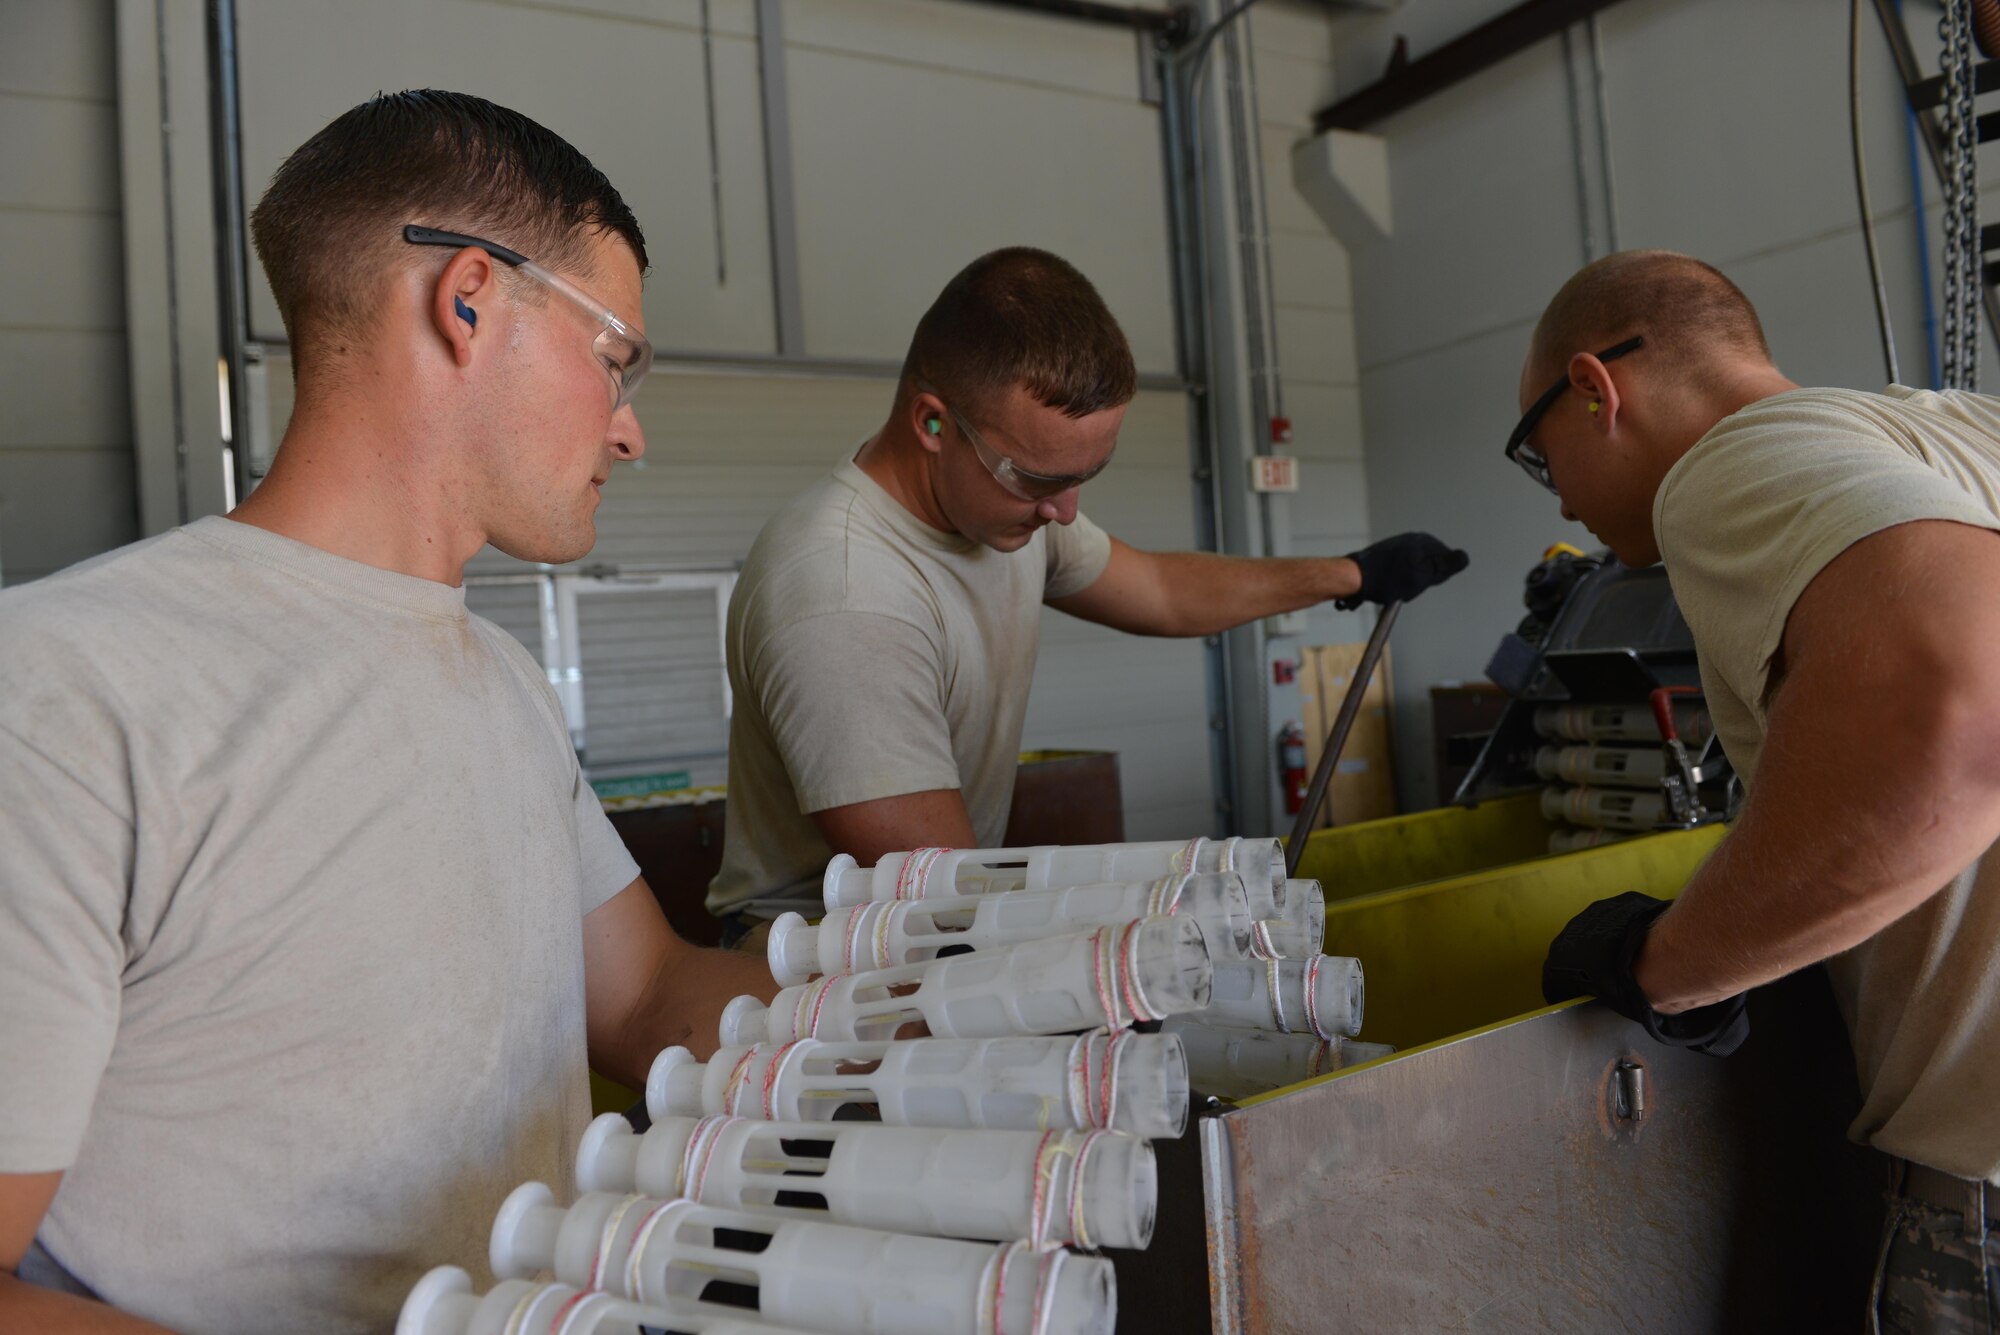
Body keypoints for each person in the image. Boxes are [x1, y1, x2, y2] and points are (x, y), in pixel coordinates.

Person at [0, 91, 772, 1334]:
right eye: (613, 355)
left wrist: (937, 1026)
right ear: (468, 300)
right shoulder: (63, 690)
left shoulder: (504, 686)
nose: (625, 430)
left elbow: (638, 1000)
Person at [708, 246, 1467, 934]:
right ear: (933, 424)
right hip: (814, 970)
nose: (1063, 511)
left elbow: (1164, 590)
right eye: (1039, 478)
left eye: (1083, 478)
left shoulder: (1006, 514)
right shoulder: (844, 590)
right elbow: (942, 896)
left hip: (928, 928)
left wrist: (1353, 573)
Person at [1524, 251, 2000, 1331]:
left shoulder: (1730, 463)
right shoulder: (1961, 428)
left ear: (1594, 389)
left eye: (1534, 448)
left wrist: (1671, 966)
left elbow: (1960, 721)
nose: (1552, 492)